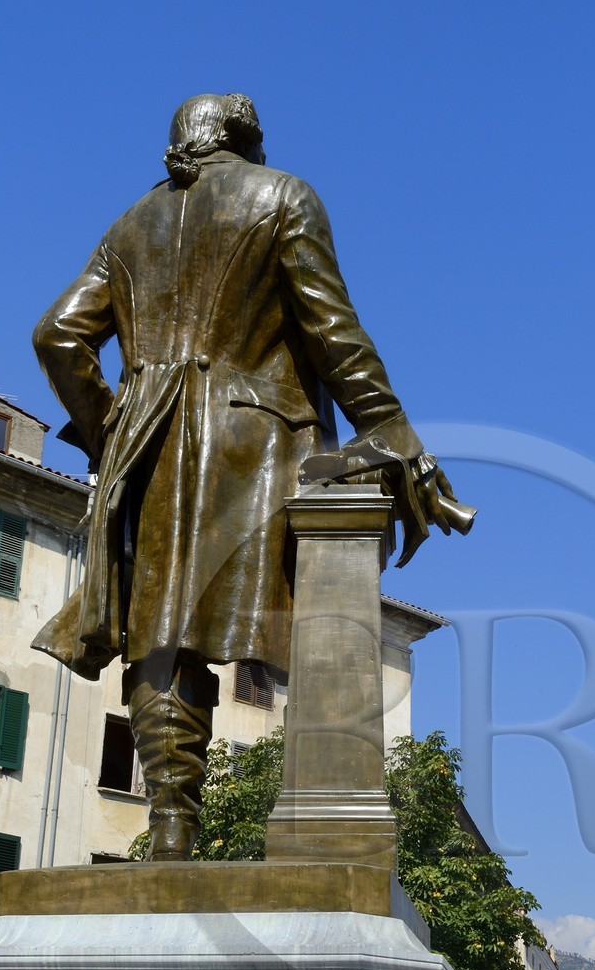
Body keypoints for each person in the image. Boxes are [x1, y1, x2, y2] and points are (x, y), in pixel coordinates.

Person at [32, 92, 471, 860]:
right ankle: (331, 824)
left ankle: (171, 824)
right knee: (319, 617)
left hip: (150, 448)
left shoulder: (129, 226)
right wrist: (390, 429)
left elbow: (57, 336)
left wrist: (110, 429)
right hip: (255, 443)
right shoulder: (282, 197)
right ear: (246, 141)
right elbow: (331, 329)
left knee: (163, 635)